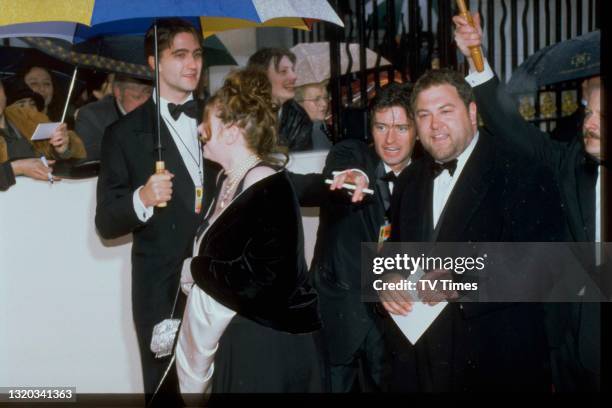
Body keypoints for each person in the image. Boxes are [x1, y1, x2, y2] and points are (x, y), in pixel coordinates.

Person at [381, 68, 566, 391]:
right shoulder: (409, 180)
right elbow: (396, 252)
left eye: (445, 111)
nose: (434, 125)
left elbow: (545, 265)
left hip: (494, 365)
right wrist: (388, 279)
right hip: (420, 364)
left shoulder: (522, 172)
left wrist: (461, 283)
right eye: (424, 115)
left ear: (472, 112)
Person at [454, 12, 603, 391]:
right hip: (572, 350)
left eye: (605, 115)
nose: (590, 124)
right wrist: (476, 57)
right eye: (589, 111)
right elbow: (512, 130)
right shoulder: (571, 162)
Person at [161, 68, 322, 402]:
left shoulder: (269, 185)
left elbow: (267, 280)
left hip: (269, 343)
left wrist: (196, 269)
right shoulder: (227, 180)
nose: (201, 130)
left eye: (208, 123)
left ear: (232, 131)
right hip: (240, 337)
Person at [95, 18, 219, 401]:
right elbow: (106, 222)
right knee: (165, 390)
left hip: (219, 279)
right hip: (159, 288)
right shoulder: (123, 134)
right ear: (153, 62)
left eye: (196, 54)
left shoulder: (219, 120)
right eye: (179, 55)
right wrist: (143, 198)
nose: (192, 64)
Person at [308, 83, 415, 392]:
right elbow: (344, 165)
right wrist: (357, 177)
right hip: (341, 311)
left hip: (394, 320)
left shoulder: (425, 177)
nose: (390, 139)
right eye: (381, 127)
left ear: (417, 131)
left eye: (401, 127)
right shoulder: (352, 152)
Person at [0, 77, 85, 163]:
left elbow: (53, 152)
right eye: (21, 104)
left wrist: (63, 148)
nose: (28, 107)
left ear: (3, 91)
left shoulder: (29, 118)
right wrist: (15, 168)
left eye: (32, 104)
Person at [247, 47, 313, 151]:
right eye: (283, 71)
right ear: (261, 77)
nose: (294, 76)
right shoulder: (241, 114)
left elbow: (301, 160)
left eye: (293, 70)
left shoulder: (299, 116)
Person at [76, 74, 153, 160]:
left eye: (148, 93)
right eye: (137, 97)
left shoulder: (159, 110)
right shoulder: (92, 116)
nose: (145, 102)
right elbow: (88, 160)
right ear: (118, 92)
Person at [295, 81, 333, 149]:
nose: (324, 104)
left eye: (325, 97)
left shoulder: (320, 125)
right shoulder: (315, 127)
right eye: (316, 99)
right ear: (299, 103)